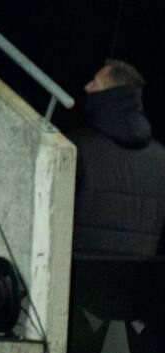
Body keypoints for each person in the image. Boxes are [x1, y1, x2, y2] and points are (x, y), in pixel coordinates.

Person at [70, 59, 165, 256]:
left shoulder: (76, 146)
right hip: (137, 280)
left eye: (95, 82)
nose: (87, 87)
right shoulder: (161, 157)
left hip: (80, 278)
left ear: (111, 95)